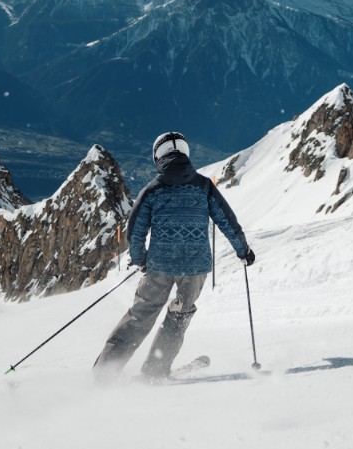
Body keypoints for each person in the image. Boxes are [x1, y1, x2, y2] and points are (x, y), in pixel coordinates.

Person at [94, 132, 255, 382]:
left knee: (140, 315)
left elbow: (135, 232)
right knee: (179, 315)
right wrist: (243, 250)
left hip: (160, 264)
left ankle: (105, 372)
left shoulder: (152, 191)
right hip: (195, 266)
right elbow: (227, 220)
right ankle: (155, 370)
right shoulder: (204, 187)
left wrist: (140, 260)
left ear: (158, 157)